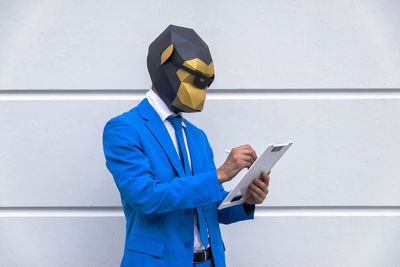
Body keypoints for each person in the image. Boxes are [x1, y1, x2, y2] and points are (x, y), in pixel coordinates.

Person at [102, 24, 270, 267]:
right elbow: (146, 197)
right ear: (164, 64)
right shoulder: (124, 129)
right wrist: (220, 174)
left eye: (206, 83)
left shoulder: (197, 136)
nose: (200, 90)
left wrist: (247, 198)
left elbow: (209, 205)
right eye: (196, 79)